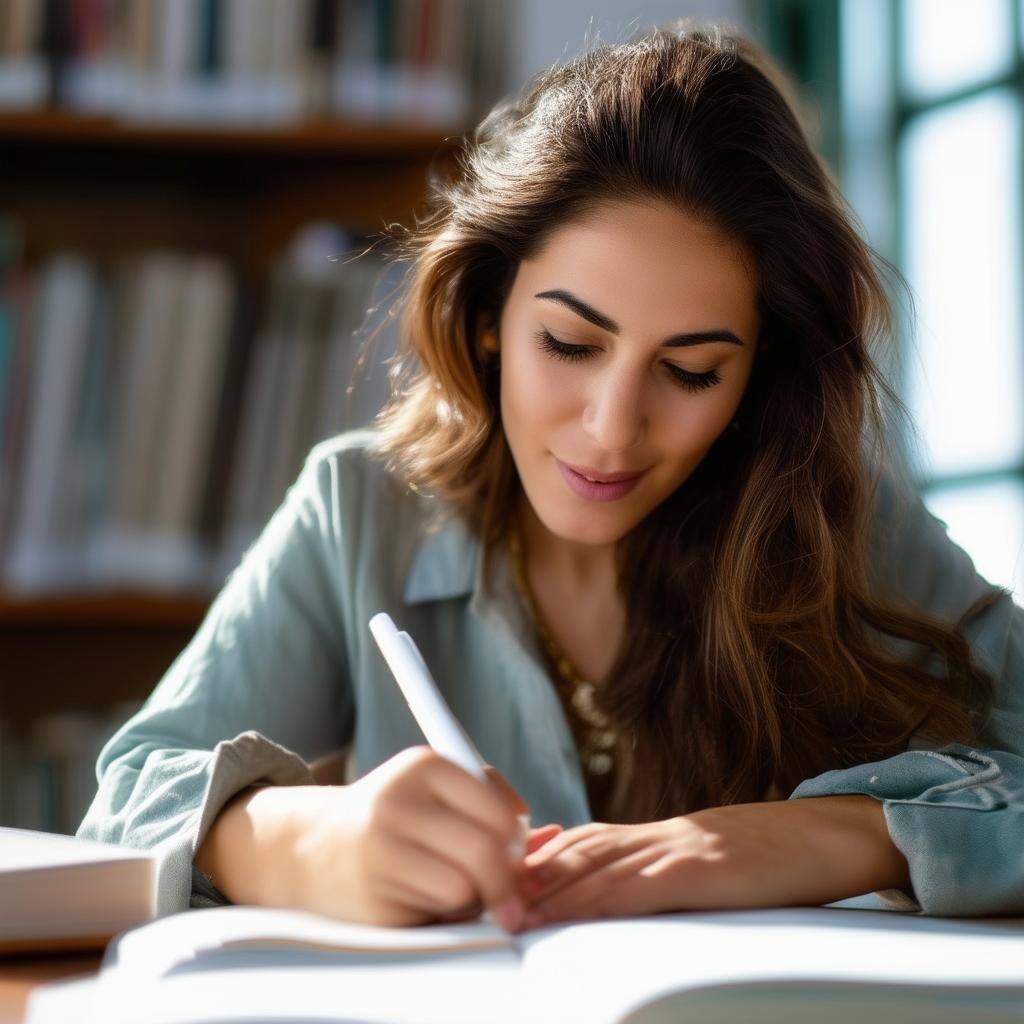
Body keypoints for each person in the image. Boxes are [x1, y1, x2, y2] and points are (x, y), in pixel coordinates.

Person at [77, 19, 1024, 934]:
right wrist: (304, 840)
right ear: (490, 313)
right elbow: (125, 803)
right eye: (569, 343)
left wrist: (833, 838)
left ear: (758, 376)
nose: (612, 430)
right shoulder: (360, 510)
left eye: (692, 370)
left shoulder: (836, 524)